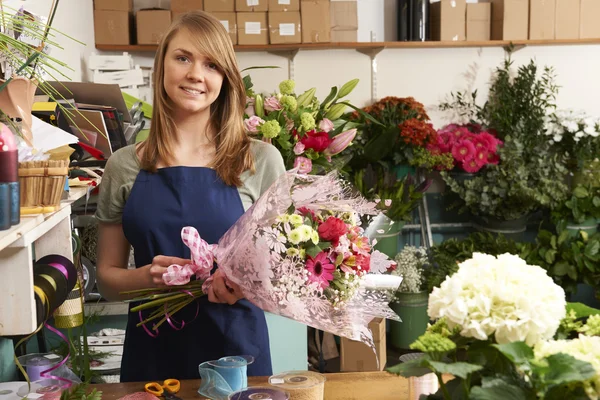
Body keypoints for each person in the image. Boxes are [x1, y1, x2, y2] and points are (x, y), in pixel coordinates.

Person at [95, 11, 285, 382]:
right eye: (183, 58)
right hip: (153, 352)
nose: (196, 74)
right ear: (162, 66)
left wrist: (241, 286)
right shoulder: (123, 167)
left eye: (212, 65)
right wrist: (148, 278)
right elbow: (106, 280)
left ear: (225, 79)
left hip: (238, 354)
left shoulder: (260, 161)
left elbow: (281, 274)